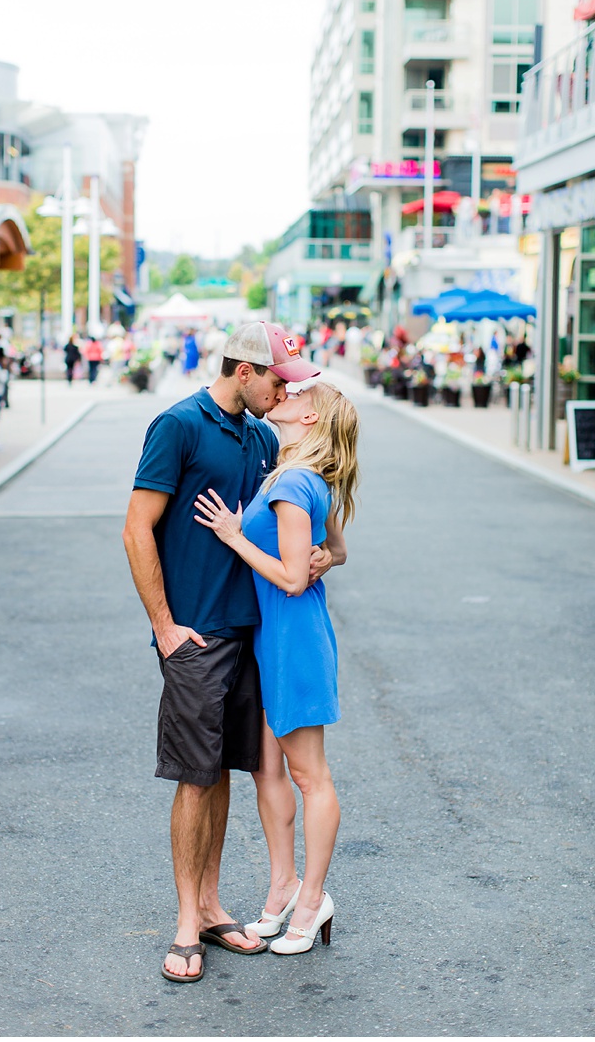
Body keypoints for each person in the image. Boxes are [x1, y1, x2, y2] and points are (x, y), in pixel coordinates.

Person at [122, 322, 327, 984]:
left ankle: (211, 903)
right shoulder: (178, 424)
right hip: (196, 632)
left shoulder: (263, 437)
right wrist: (164, 624)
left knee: (222, 771)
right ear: (244, 371)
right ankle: (187, 918)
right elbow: (136, 528)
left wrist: (323, 553)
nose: (283, 391)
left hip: (251, 632)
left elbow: (290, 523)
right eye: (277, 379)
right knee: (192, 773)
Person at [193, 380, 360, 956]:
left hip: (294, 639)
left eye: (299, 395)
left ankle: (312, 900)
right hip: (274, 637)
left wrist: (234, 537)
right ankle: (281, 887)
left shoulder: (292, 482)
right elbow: (335, 547)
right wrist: (325, 556)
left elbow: (291, 578)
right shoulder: (294, 473)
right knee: (267, 769)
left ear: (312, 419)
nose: (286, 393)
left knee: (310, 775)